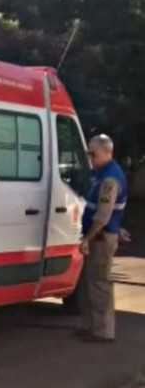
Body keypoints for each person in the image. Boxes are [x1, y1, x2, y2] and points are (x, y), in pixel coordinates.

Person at [76, 134, 129, 343]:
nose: (90, 157)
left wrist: (87, 238)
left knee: (99, 285)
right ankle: (94, 328)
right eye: (89, 153)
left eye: (93, 153)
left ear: (107, 153)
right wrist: (118, 227)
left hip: (100, 238)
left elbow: (102, 216)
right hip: (105, 233)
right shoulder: (104, 173)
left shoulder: (109, 179)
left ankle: (102, 332)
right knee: (93, 283)